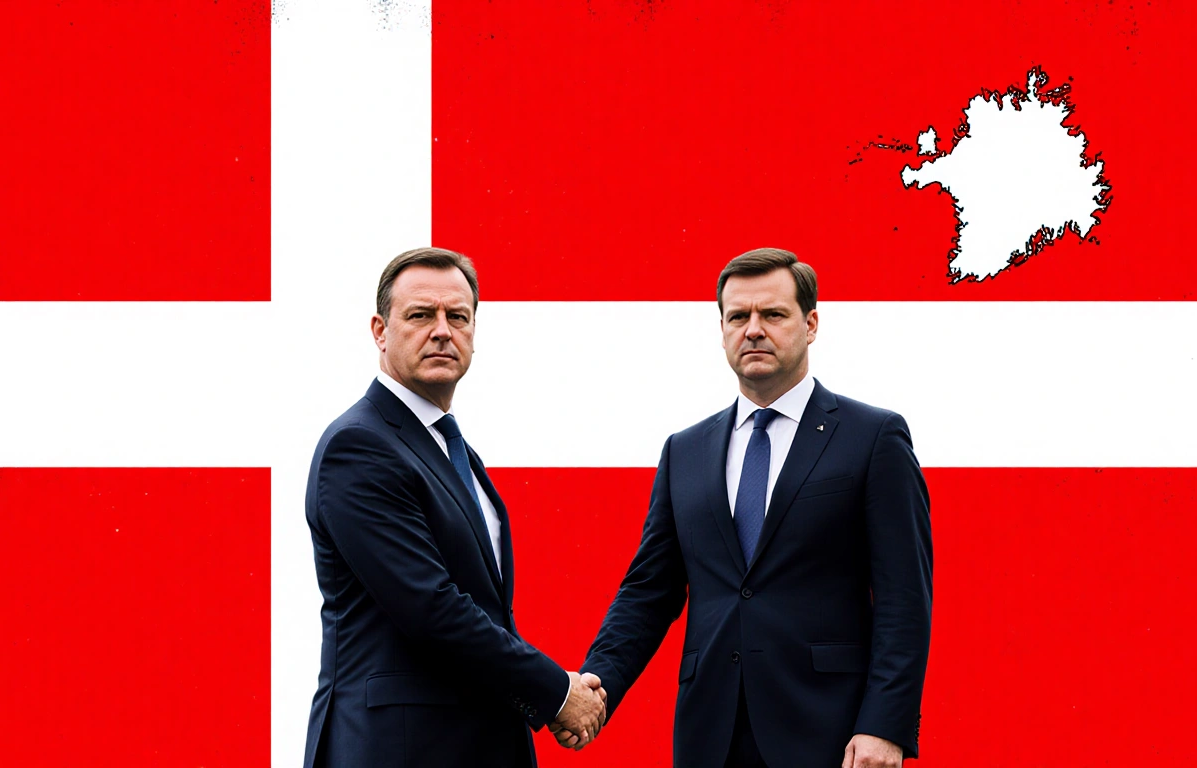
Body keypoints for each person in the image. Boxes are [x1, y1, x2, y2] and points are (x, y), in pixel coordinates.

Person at [570, 248, 933, 768]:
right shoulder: (685, 450)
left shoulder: (873, 437)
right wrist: (595, 686)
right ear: (721, 330)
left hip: (832, 732)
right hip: (711, 732)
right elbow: (649, 590)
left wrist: (885, 725)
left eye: (773, 314)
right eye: (738, 317)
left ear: (810, 324)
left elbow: (905, 597)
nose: (754, 330)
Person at [303, 247, 606, 768]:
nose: (442, 331)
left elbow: (483, 610)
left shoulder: (452, 450)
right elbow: (431, 607)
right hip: (398, 750)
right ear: (379, 330)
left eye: (458, 316)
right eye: (421, 315)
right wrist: (556, 692)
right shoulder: (359, 446)